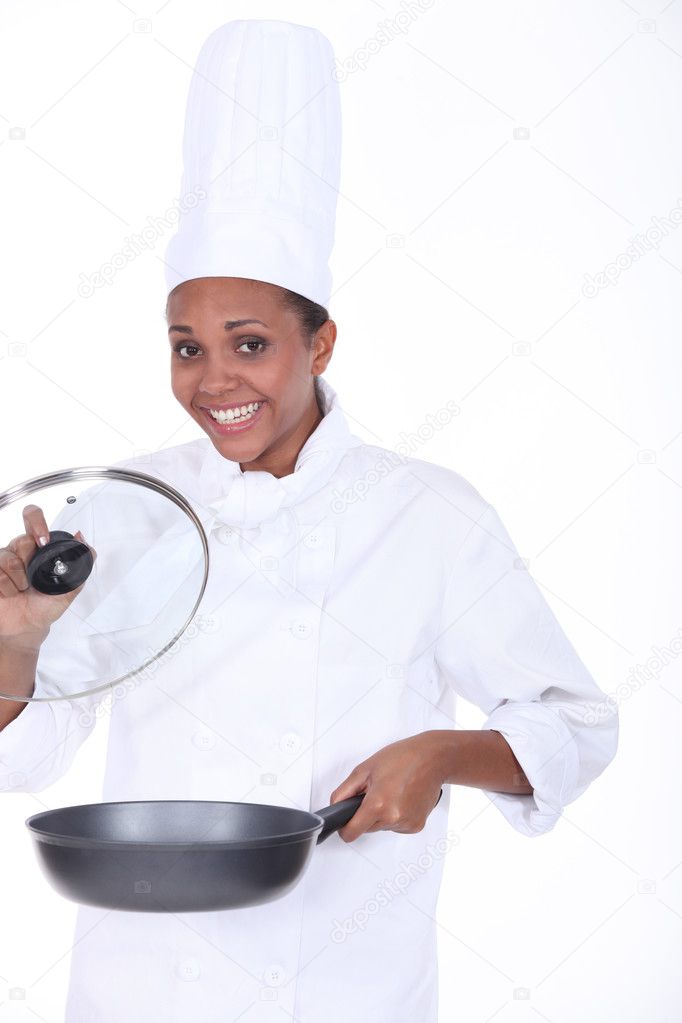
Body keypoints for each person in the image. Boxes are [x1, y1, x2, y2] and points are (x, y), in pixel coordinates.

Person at [0, 20, 618, 1023]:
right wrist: (15, 645)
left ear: (321, 340)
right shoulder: (127, 508)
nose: (214, 382)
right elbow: (26, 756)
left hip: (340, 984)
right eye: (186, 348)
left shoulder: (427, 515)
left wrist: (443, 754)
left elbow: (576, 726)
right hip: (139, 985)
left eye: (249, 343)